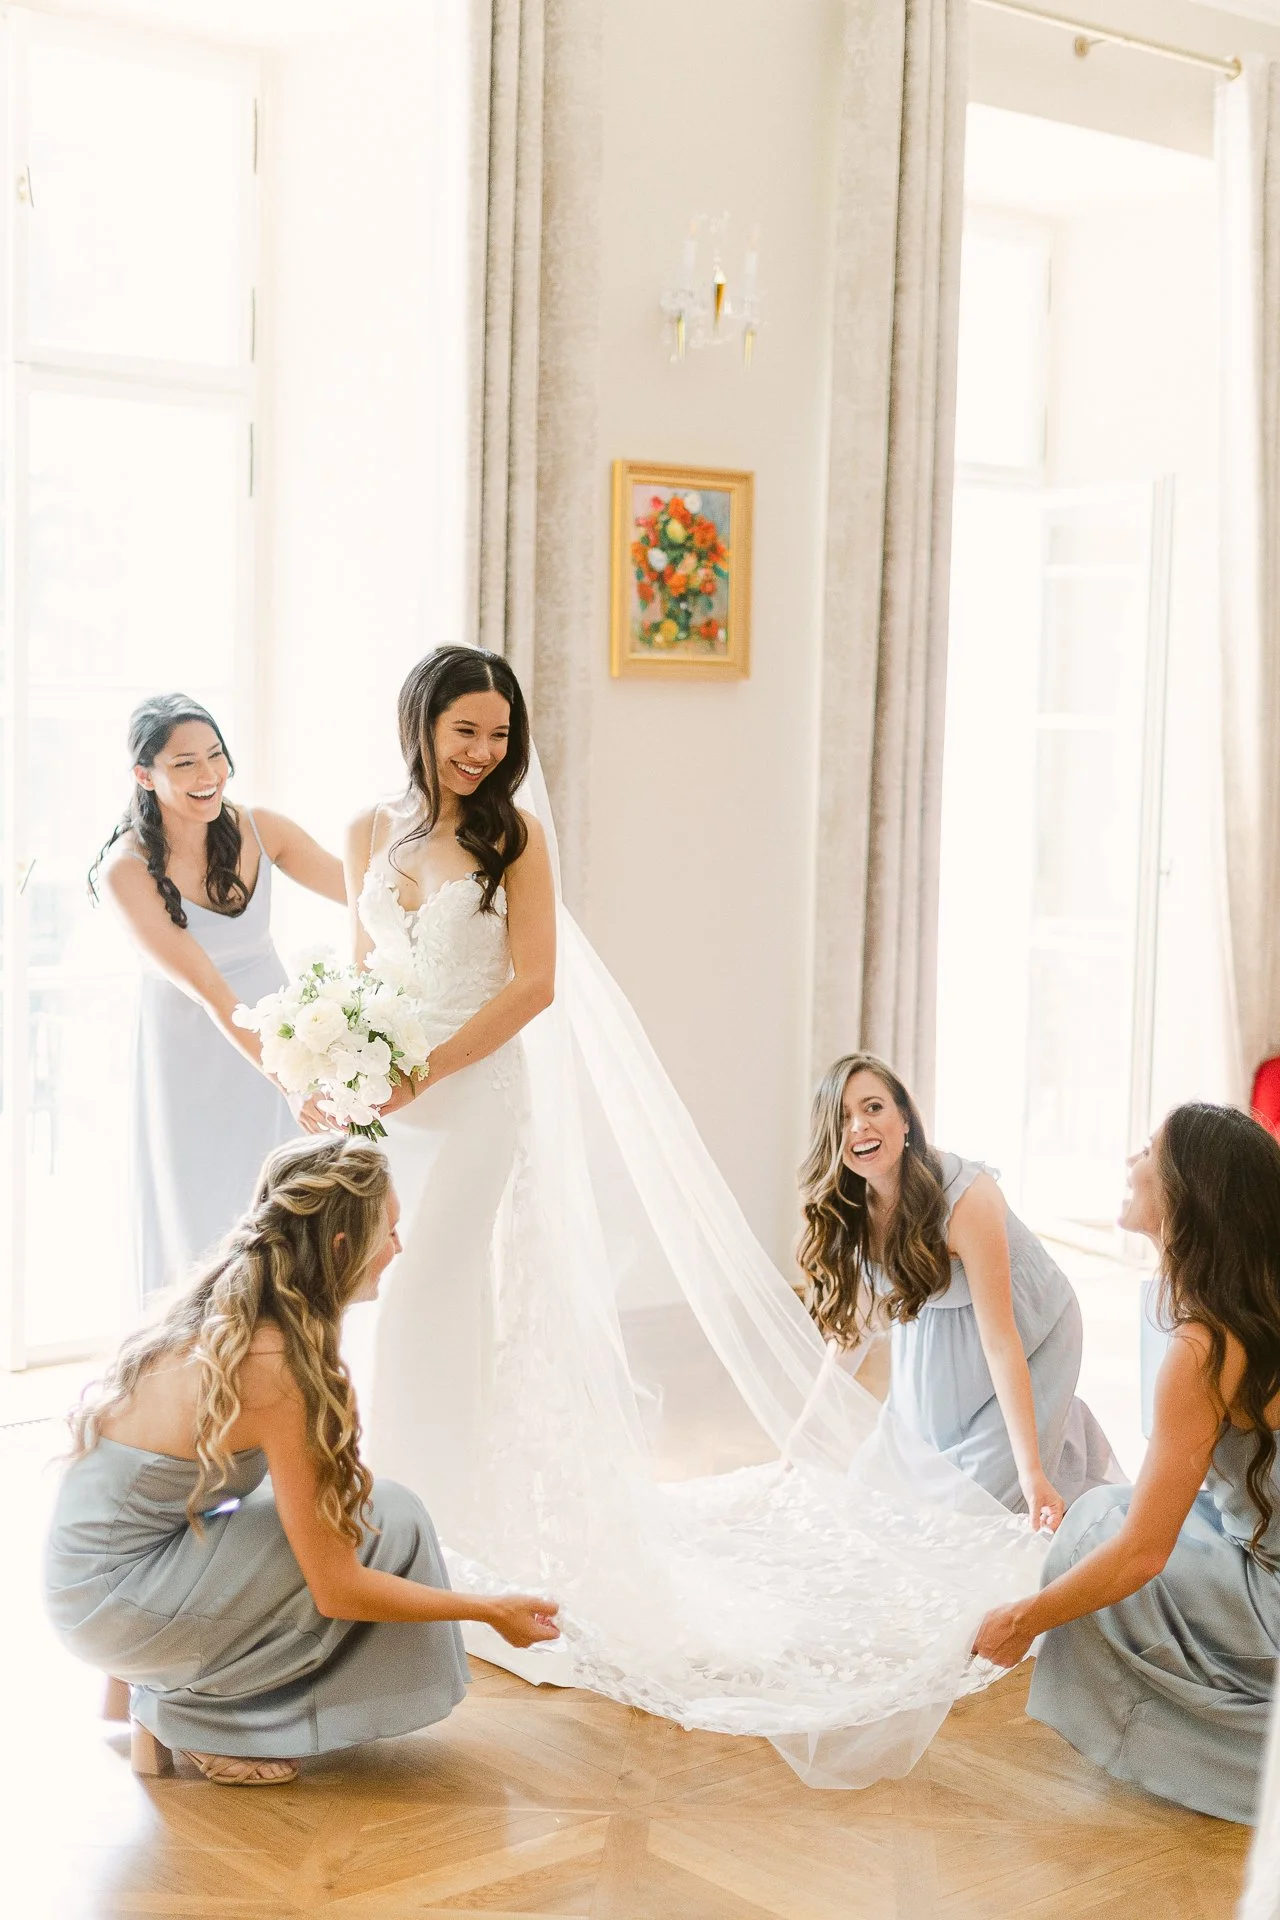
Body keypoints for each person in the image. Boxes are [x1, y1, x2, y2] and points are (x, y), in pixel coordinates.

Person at [337, 645, 1052, 1791]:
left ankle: (428, 1559)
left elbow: (534, 985)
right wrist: (347, 1062)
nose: (482, 753)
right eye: (463, 731)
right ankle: (406, 1541)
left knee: (427, 1299)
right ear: (417, 722)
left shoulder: (513, 841)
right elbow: (357, 971)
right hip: (394, 1111)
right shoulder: (367, 832)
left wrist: (426, 1071)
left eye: (498, 735)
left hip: (472, 1100)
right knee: (398, 1312)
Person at [44, 1135, 559, 1786]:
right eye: (390, 1231)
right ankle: (196, 1714)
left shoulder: (236, 1311)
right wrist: (486, 1610)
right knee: (379, 1533)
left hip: (96, 1578)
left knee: (384, 1512)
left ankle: (161, 1684)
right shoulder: (272, 1364)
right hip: (111, 1601)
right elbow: (336, 1587)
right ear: (342, 1247)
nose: (398, 1248)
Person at [973, 1103, 1280, 1825]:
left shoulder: (1206, 1348)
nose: (1129, 1161)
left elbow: (1143, 1554)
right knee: (1102, 1509)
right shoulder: (1239, 1305)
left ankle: (1207, 1738)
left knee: (1099, 1541)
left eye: (1147, 1150)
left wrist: (1026, 1618)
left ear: (1185, 1190)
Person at [90, 694, 347, 1297]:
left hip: (279, 1040)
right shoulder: (125, 870)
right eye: (184, 764)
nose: (208, 776)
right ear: (144, 776)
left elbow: (358, 891)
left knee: (283, 1218)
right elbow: (210, 989)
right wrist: (289, 1078)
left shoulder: (264, 829)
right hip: (194, 1057)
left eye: (216, 756)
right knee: (200, 1221)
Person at [798, 1053, 1118, 1524]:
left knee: (973, 1510)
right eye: (842, 1118)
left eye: (873, 1108)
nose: (859, 1127)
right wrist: (800, 1438)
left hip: (1028, 1332)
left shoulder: (967, 1199)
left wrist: (1031, 1474)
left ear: (905, 1118)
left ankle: (1049, 1448)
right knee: (888, 1491)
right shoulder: (853, 1206)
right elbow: (853, 1334)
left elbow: (1000, 1340)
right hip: (934, 1328)